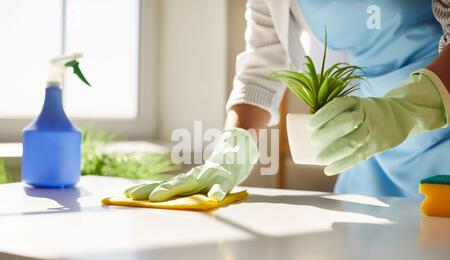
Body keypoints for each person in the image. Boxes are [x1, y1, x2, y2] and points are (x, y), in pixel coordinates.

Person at [129, 0, 450, 201]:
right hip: (369, 146)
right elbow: (262, 64)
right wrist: (232, 146)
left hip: (440, 128)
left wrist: (404, 111)